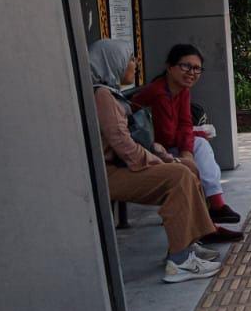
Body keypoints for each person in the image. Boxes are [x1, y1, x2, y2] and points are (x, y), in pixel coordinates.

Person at [89, 40, 241, 283]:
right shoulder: (104, 96)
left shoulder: (109, 92)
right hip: (111, 172)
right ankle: (179, 261)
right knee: (178, 175)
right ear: (113, 62)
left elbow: (143, 136)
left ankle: (187, 244)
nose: (134, 64)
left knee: (187, 170)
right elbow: (124, 145)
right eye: (129, 58)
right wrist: (162, 162)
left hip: (123, 165)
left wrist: (166, 155)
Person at [132, 44, 241, 223]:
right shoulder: (159, 93)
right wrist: (187, 149)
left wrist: (187, 151)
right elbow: (166, 135)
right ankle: (212, 210)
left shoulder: (181, 90)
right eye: (185, 66)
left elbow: (184, 124)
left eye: (197, 68)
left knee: (199, 149)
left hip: (168, 148)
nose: (191, 72)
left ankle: (214, 207)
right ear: (170, 67)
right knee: (197, 152)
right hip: (151, 152)